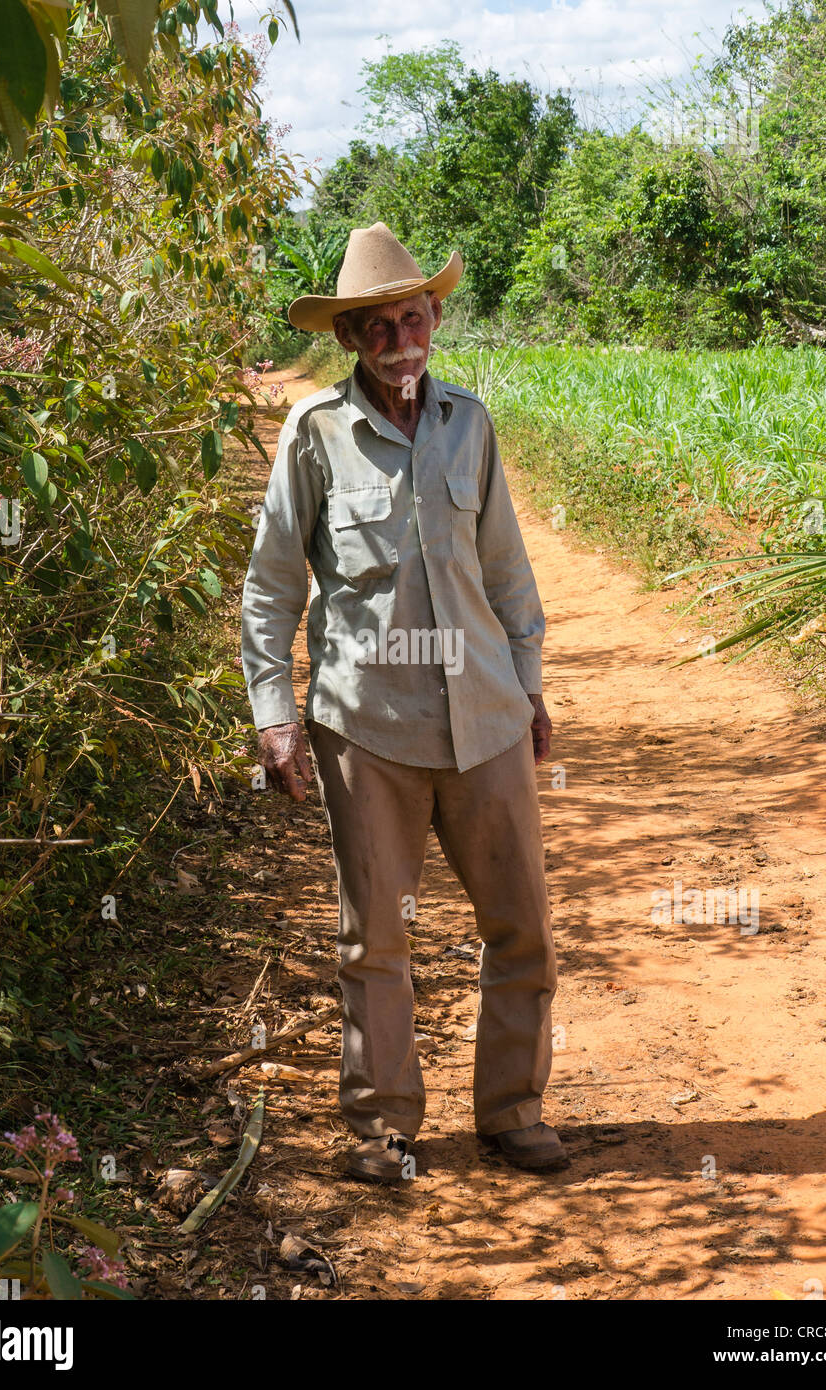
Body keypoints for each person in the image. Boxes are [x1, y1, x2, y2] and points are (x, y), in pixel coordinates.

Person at [240, 222, 564, 1181]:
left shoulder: (472, 424)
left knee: (522, 925)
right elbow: (271, 585)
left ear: (435, 317)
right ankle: (384, 1125)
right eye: (375, 327)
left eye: (411, 318)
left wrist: (532, 685)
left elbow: (506, 571)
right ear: (348, 340)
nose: (398, 340)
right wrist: (273, 712)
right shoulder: (314, 435)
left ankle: (513, 1111)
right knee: (374, 934)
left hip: (487, 720)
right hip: (366, 728)